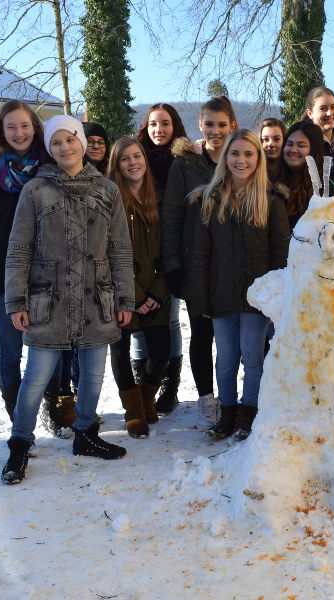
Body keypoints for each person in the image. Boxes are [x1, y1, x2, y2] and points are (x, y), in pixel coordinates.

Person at [1, 115, 135, 484]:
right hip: (49, 301)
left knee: (93, 375)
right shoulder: (36, 190)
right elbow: (19, 249)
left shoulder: (106, 190)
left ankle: (86, 433)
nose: (65, 147)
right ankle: (20, 443)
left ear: (81, 142)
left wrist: (126, 298)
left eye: (70, 140)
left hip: (97, 298)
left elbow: (120, 249)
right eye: (56, 142)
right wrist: (17, 300)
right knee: (37, 377)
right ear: (49, 148)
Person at [0, 100, 71, 429]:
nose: (19, 133)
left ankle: (54, 411)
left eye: (25, 126)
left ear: (35, 129)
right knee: (11, 348)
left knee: (50, 346)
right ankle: (18, 421)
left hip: (47, 272)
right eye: (12, 127)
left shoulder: (50, 167)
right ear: (1, 131)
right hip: (1, 275)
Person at [186, 129, 290, 440]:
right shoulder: (212, 199)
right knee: (227, 356)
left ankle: (249, 411)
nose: (241, 160)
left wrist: (276, 300)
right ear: (225, 157)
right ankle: (227, 411)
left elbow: (282, 256)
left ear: (258, 158)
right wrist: (200, 300)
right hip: (221, 296)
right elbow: (200, 254)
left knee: (253, 356)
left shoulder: (271, 200)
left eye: (248, 154)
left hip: (257, 299)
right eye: (235, 154)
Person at [161, 96, 239, 426]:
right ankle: (207, 397)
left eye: (222, 124)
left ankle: (235, 398)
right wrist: (174, 264)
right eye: (209, 124)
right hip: (196, 264)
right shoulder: (186, 164)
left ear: (233, 126)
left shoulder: (241, 159)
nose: (215, 131)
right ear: (200, 125)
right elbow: (172, 215)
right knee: (202, 333)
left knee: (233, 337)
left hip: (233, 263)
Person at [106, 136, 170, 439]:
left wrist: (157, 291)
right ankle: (134, 411)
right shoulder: (109, 200)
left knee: (161, 353)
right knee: (119, 351)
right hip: (122, 292)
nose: (133, 163)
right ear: (116, 165)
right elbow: (109, 253)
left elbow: (170, 250)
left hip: (157, 290)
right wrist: (134, 295)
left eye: (137, 156)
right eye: (125, 159)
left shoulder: (158, 197)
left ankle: (145, 400)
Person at [135, 103, 187, 412]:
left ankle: (170, 388)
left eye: (165, 123)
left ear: (175, 126)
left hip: (172, 252)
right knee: (141, 322)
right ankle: (145, 387)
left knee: (169, 320)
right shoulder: (135, 157)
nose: (159, 129)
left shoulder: (184, 160)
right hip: (141, 250)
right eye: (153, 123)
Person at [276, 119, 325, 229]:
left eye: (301, 145)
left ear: (313, 150)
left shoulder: (325, 188)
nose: (293, 150)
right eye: (289, 144)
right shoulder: (273, 182)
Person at [303, 86, 334, 156]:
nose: (329, 113)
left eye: (333, 107)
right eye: (322, 108)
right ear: (310, 113)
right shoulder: (302, 143)